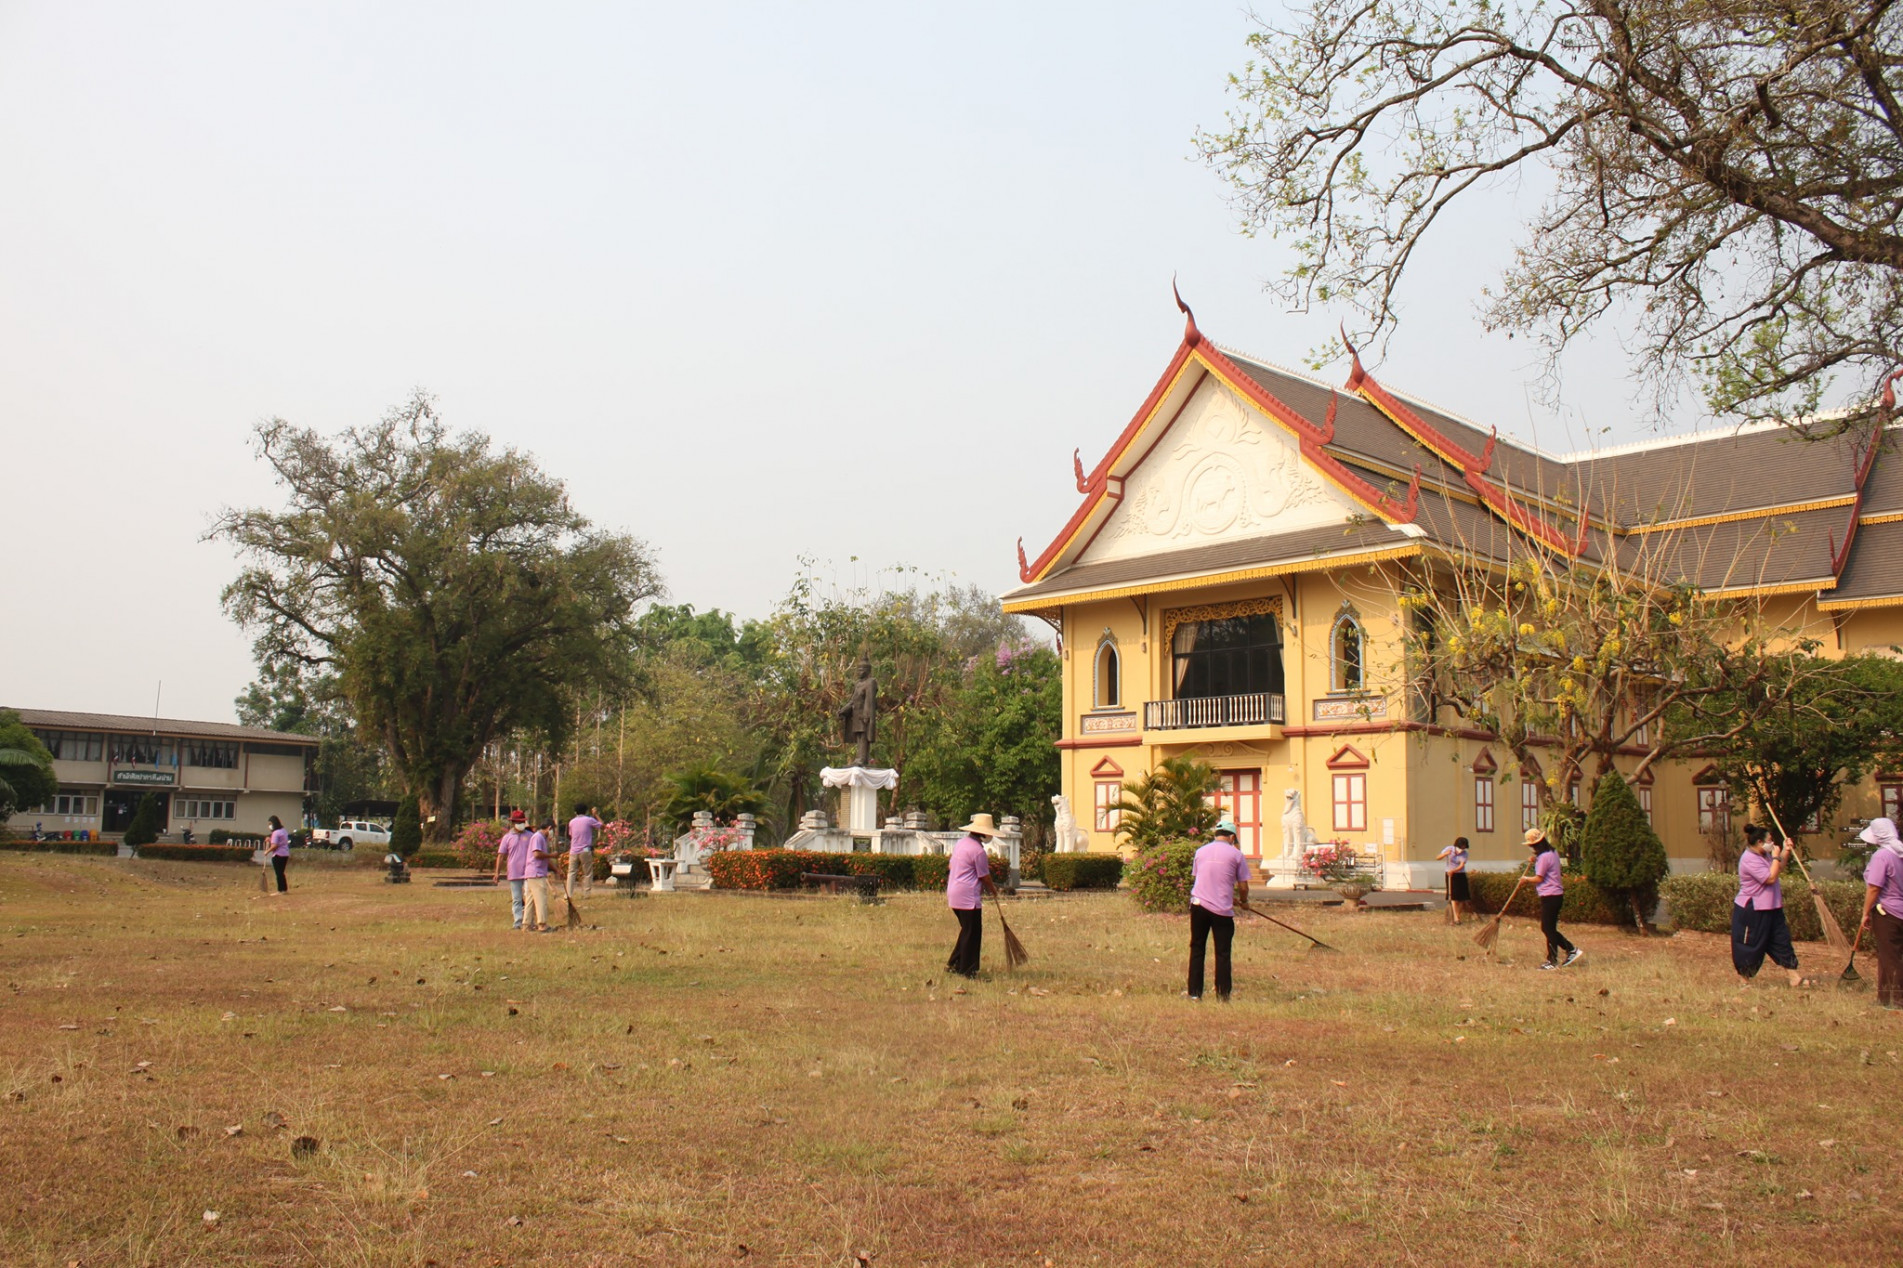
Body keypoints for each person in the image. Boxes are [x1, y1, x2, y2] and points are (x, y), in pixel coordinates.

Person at [1187, 820, 1252, 1001]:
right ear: (1232, 837)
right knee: (1222, 952)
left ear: (1216, 835)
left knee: (1197, 948)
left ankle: (1194, 994)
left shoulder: (1200, 852)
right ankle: (1223, 995)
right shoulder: (1236, 854)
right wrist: (1244, 901)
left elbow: (1203, 878)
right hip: (1221, 910)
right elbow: (1243, 886)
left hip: (1199, 906)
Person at [1733, 824, 1804, 986]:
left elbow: (1777, 868)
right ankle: (1743, 980)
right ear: (1760, 842)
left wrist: (1786, 850)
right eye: (1770, 840)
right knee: (1750, 944)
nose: (1772, 843)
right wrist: (1776, 856)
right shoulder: (1749, 859)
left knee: (1781, 940)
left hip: (1772, 906)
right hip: (1753, 909)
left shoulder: (1764, 855)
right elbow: (1770, 878)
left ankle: (1794, 977)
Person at [1854, 817, 1903, 1011]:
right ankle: (1884, 998)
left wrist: (1865, 913)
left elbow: (1874, 887)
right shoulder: (1900, 852)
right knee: (1887, 955)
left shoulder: (1881, 856)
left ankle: (1897, 999)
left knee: (1890, 956)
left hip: (1887, 912)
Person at [945, 814, 1000, 978]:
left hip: (954, 892)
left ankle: (954, 963)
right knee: (973, 933)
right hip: (968, 897)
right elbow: (984, 876)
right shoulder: (978, 851)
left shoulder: (961, 844)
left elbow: (951, 866)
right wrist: (993, 890)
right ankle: (967, 970)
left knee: (967, 930)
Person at [1527, 827, 1581, 969]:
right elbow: (1547, 865)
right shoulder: (1552, 852)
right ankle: (1567, 951)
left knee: (1547, 928)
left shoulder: (1544, 857)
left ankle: (1558, 957)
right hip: (1555, 895)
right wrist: (1535, 860)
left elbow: (1539, 878)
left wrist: (1525, 879)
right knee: (1548, 928)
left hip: (1550, 895)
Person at [492, 811, 533, 930]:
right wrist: (497, 873)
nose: (521, 824)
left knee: (529, 897)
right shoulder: (507, 837)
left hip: (529, 872)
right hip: (514, 872)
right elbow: (501, 856)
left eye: (522, 822)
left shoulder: (530, 836)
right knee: (517, 899)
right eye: (518, 822)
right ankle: (518, 922)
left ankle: (529, 921)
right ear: (513, 823)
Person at [522, 819, 554, 932]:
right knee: (541, 899)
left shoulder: (542, 838)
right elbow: (537, 854)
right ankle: (542, 924)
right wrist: (552, 855)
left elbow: (544, 858)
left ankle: (526, 924)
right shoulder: (538, 837)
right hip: (536, 873)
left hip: (534, 872)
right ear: (549, 828)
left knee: (530, 900)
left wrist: (556, 869)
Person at [566, 802, 602, 900]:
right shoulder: (589, 820)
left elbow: (571, 834)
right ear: (586, 811)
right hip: (585, 849)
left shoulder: (571, 822)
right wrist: (596, 815)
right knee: (587, 873)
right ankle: (586, 894)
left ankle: (569, 894)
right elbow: (602, 825)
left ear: (575, 812)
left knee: (571, 873)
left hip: (574, 850)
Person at [1436, 836, 1472, 925]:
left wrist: (1454, 871)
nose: (1462, 849)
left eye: (1464, 848)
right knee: (1453, 896)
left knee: (1462, 898)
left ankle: (1457, 915)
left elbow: (1461, 865)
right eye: (1461, 847)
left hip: (1460, 874)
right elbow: (1438, 857)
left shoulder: (1465, 854)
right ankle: (1456, 918)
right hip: (1450, 875)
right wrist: (1445, 854)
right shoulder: (1449, 849)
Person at [266, 816, 291, 892]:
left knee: (279, 873)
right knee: (281, 873)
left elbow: (275, 845)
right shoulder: (283, 831)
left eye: (270, 824)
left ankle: (280, 890)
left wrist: (267, 851)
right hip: (285, 854)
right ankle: (284, 889)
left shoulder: (275, 833)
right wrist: (270, 840)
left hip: (278, 855)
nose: (269, 826)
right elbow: (281, 841)